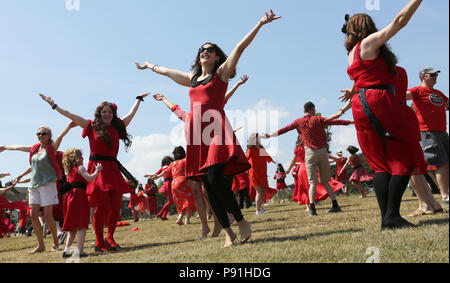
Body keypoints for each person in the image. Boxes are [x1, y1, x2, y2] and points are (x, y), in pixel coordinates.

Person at [137, 10, 280, 246]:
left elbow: (239, 48)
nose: (205, 51)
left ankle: (242, 222)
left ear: (216, 57)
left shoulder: (220, 75)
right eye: (202, 49)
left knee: (214, 179)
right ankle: (227, 231)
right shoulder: (192, 78)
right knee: (210, 186)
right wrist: (149, 65)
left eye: (210, 49)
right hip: (197, 136)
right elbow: (166, 72)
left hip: (216, 131)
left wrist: (260, 24)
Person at [338, 0, 426, 229]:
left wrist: (352, 91)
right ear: (367, 27)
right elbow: (399, 22)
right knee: (406, 153)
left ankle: (387, 218)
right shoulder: (367, 43)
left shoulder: (352, 52)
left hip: (363, 104)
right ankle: (392, 215)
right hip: (379, 102)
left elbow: (361, 78)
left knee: (381, 163)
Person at [39, 92, 148, 252]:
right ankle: (99, 242)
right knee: (102, 207)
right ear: (99, 113)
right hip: (98, 169)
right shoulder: (91, 125)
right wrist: (54, 106)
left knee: (116, 206)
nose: (107, 114)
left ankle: (110, 237)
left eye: (110, 111)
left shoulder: (118, 126)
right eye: (104, 112)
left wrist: (138, 99)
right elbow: (70, 115)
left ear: (113, 113)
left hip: (112, 168)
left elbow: (131, 114)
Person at [264, 102, 352, 216]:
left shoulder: (298, 121)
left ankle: (312, 209)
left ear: (304, 110)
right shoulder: (318, 119)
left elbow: (284, 129)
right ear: (312, 109)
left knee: (312, 183)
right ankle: (335, 205)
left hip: (310, 153)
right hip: (323, 152)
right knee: (325, 181)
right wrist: (351, 122)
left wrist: (270, 135)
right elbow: (336, 122)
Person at [0, 122, 75, 252]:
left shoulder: (52, 147)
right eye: (38, 133)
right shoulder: (34, 148)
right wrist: (6, 147)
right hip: (34, 185)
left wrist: (69, 126)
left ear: (49, 135)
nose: (40, 135)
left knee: (48, 215)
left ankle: (56, 243)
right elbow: (19, 147)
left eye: (43, 133)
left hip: (48, 185)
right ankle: (41, 245)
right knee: (33, 215)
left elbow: (61, 136)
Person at [406, 67, 449, 207]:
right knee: (441, 164)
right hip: (427, 131)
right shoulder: (417, 90)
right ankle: (445, 196)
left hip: (443, 131)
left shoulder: (438, 93)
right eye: (432, 75)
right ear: (423, 76)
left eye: (436, 75)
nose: (435, 77)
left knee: (445, 164)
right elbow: (402, 96)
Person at [61, 148, 103, 258]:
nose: (83, 158)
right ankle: (79, 250)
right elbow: (90, 179)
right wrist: (97, 171)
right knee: (82, 226)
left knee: (72, 228)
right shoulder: (80, 167)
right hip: (79, 196)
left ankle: (66, 250)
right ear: (76, 158)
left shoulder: (69, 171)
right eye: (80, 156)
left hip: (70, 197)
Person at [246, 133, 277, 215]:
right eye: (257, 138)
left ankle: (261, 208)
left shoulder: (261, 147)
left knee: (264, 191)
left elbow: (266, 156)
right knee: (259, 192)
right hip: (254, 173)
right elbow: (246, 159)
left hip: (263, 172)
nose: (258, 139)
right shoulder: (251, 149)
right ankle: (257, 210)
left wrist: (273, 161)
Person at [145, 156, 174, 221]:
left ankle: (163, 216)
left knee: (169, 201)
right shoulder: (167, 167)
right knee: (170, 201)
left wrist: (148, 175)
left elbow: (156, 174)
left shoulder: (162, 168)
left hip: (166, 184)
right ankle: (160, 214)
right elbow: (159, 175)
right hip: (169, 183)